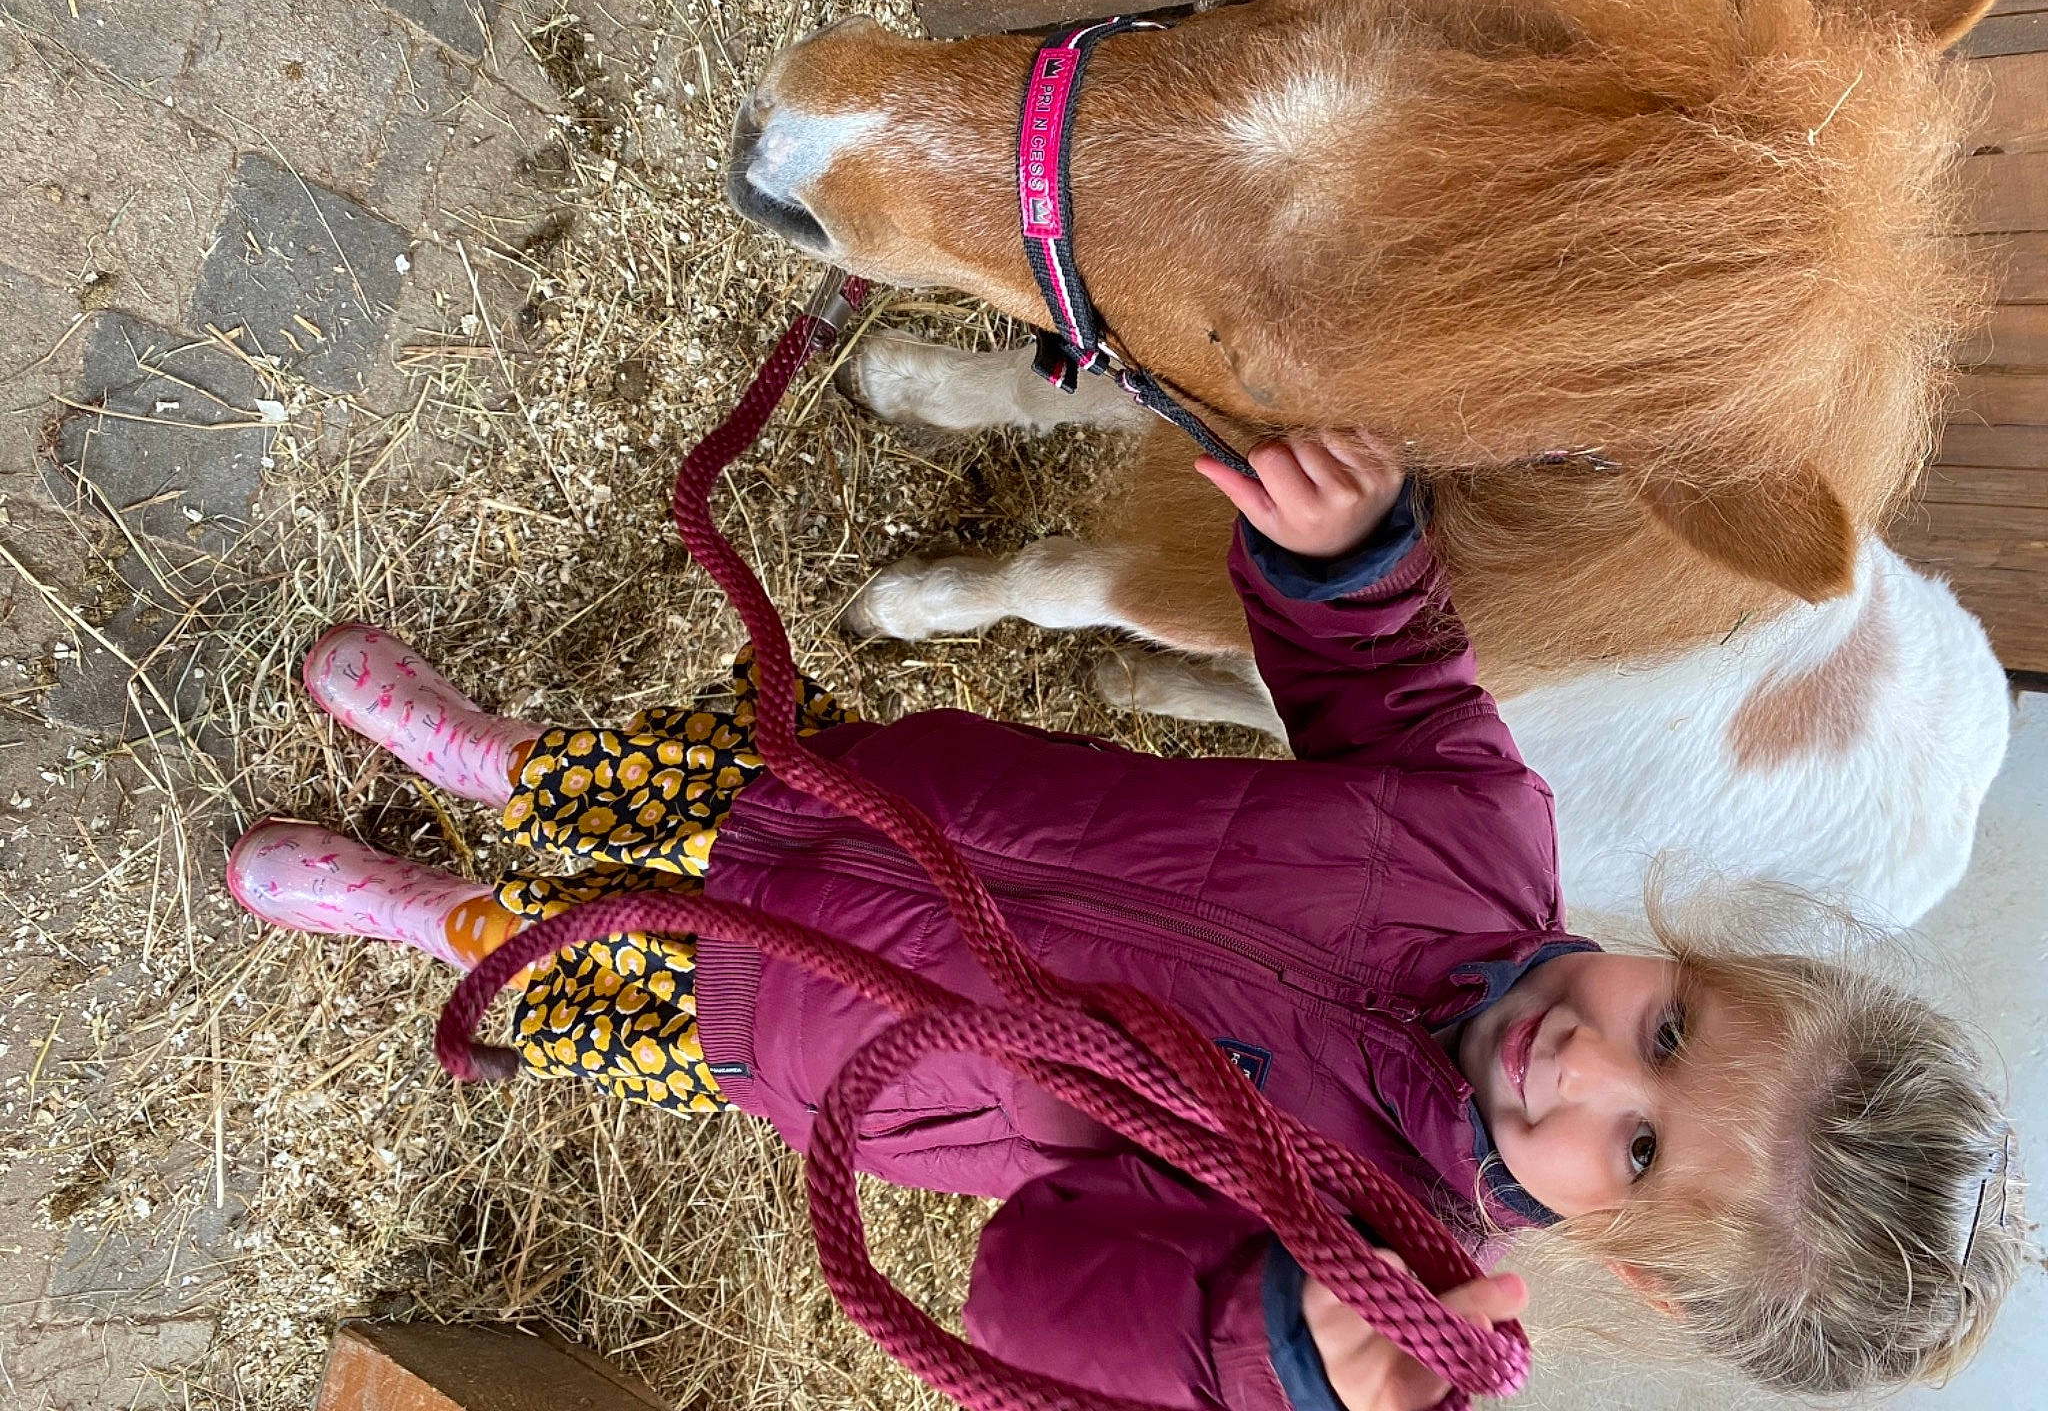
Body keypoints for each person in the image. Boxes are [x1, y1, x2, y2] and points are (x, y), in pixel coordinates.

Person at [228, 434, 2020, 1409]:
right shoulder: (1488, 831)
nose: (1585, 1064)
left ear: (1621, 1261)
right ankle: (493, 764)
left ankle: (440, 919)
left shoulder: (1340, 1238)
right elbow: (1384, 673)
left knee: (573, 985)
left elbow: (1026, 1293)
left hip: (793, 1034)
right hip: (881, 807)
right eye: (1673, 1028)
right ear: (1695, 956)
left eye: (1635, 1148)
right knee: (628, 778)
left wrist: (1270, 1352)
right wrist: (1355, 555)